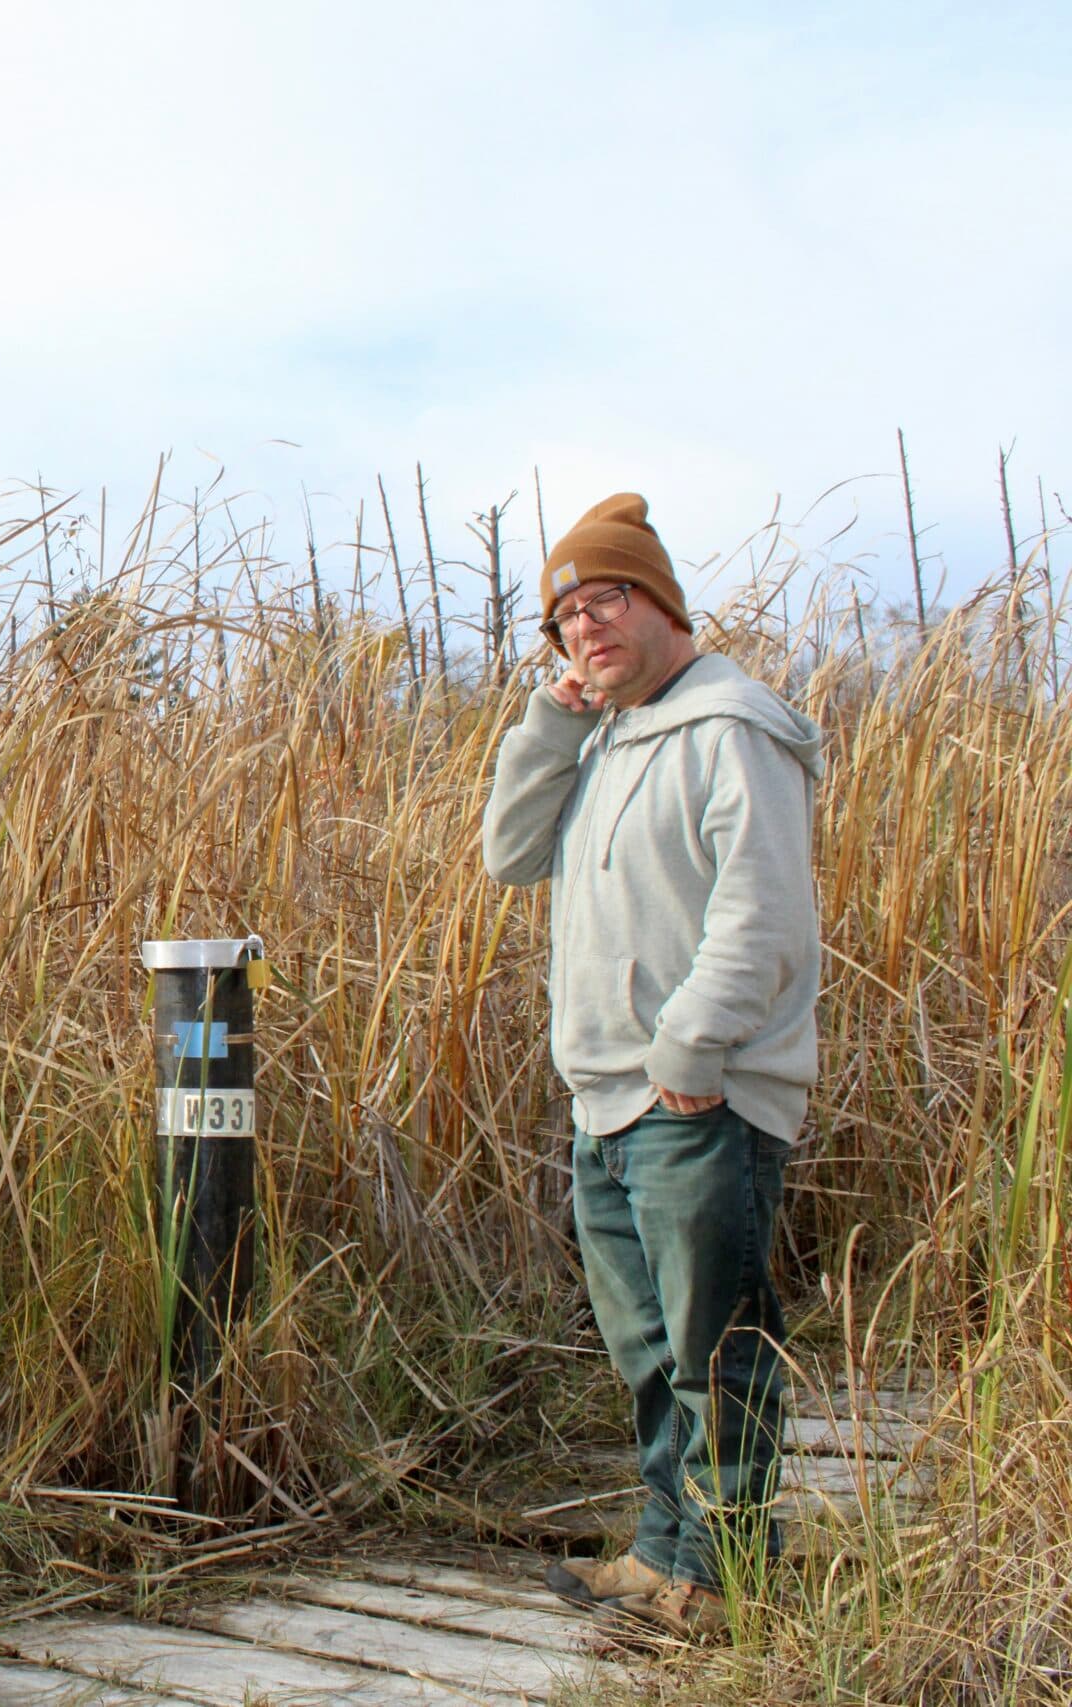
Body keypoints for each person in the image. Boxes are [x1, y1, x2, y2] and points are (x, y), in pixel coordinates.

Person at [480, 492, 824, 1643]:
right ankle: (665, 1549)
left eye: (607, 598)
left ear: (663, 603)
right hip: (607, 1100)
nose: (585, 627)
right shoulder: (610, 733)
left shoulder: (731, 727)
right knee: (647, 1350)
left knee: (714, 1346)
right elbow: (509, 853)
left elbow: (764, 912)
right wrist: (552, 721)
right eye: (564, 615)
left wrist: (691, 1045)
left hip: (696, 1096)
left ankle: (727, 1578)